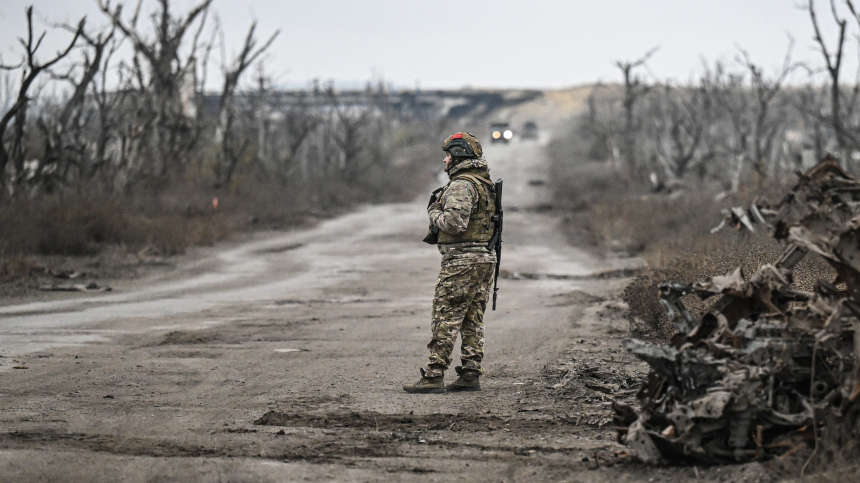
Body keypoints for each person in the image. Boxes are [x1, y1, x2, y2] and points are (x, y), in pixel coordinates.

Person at [403, 132, 497, 394]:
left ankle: (434, 376)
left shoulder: (461, 185)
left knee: (446, 315)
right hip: (483, 258)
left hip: (462, 261)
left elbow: (455, 224)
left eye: (448, 155)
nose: (445, 161)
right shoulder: (482, 183)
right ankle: (470, 373)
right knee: (472, 318)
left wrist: (433, 211)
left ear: (459, 156)